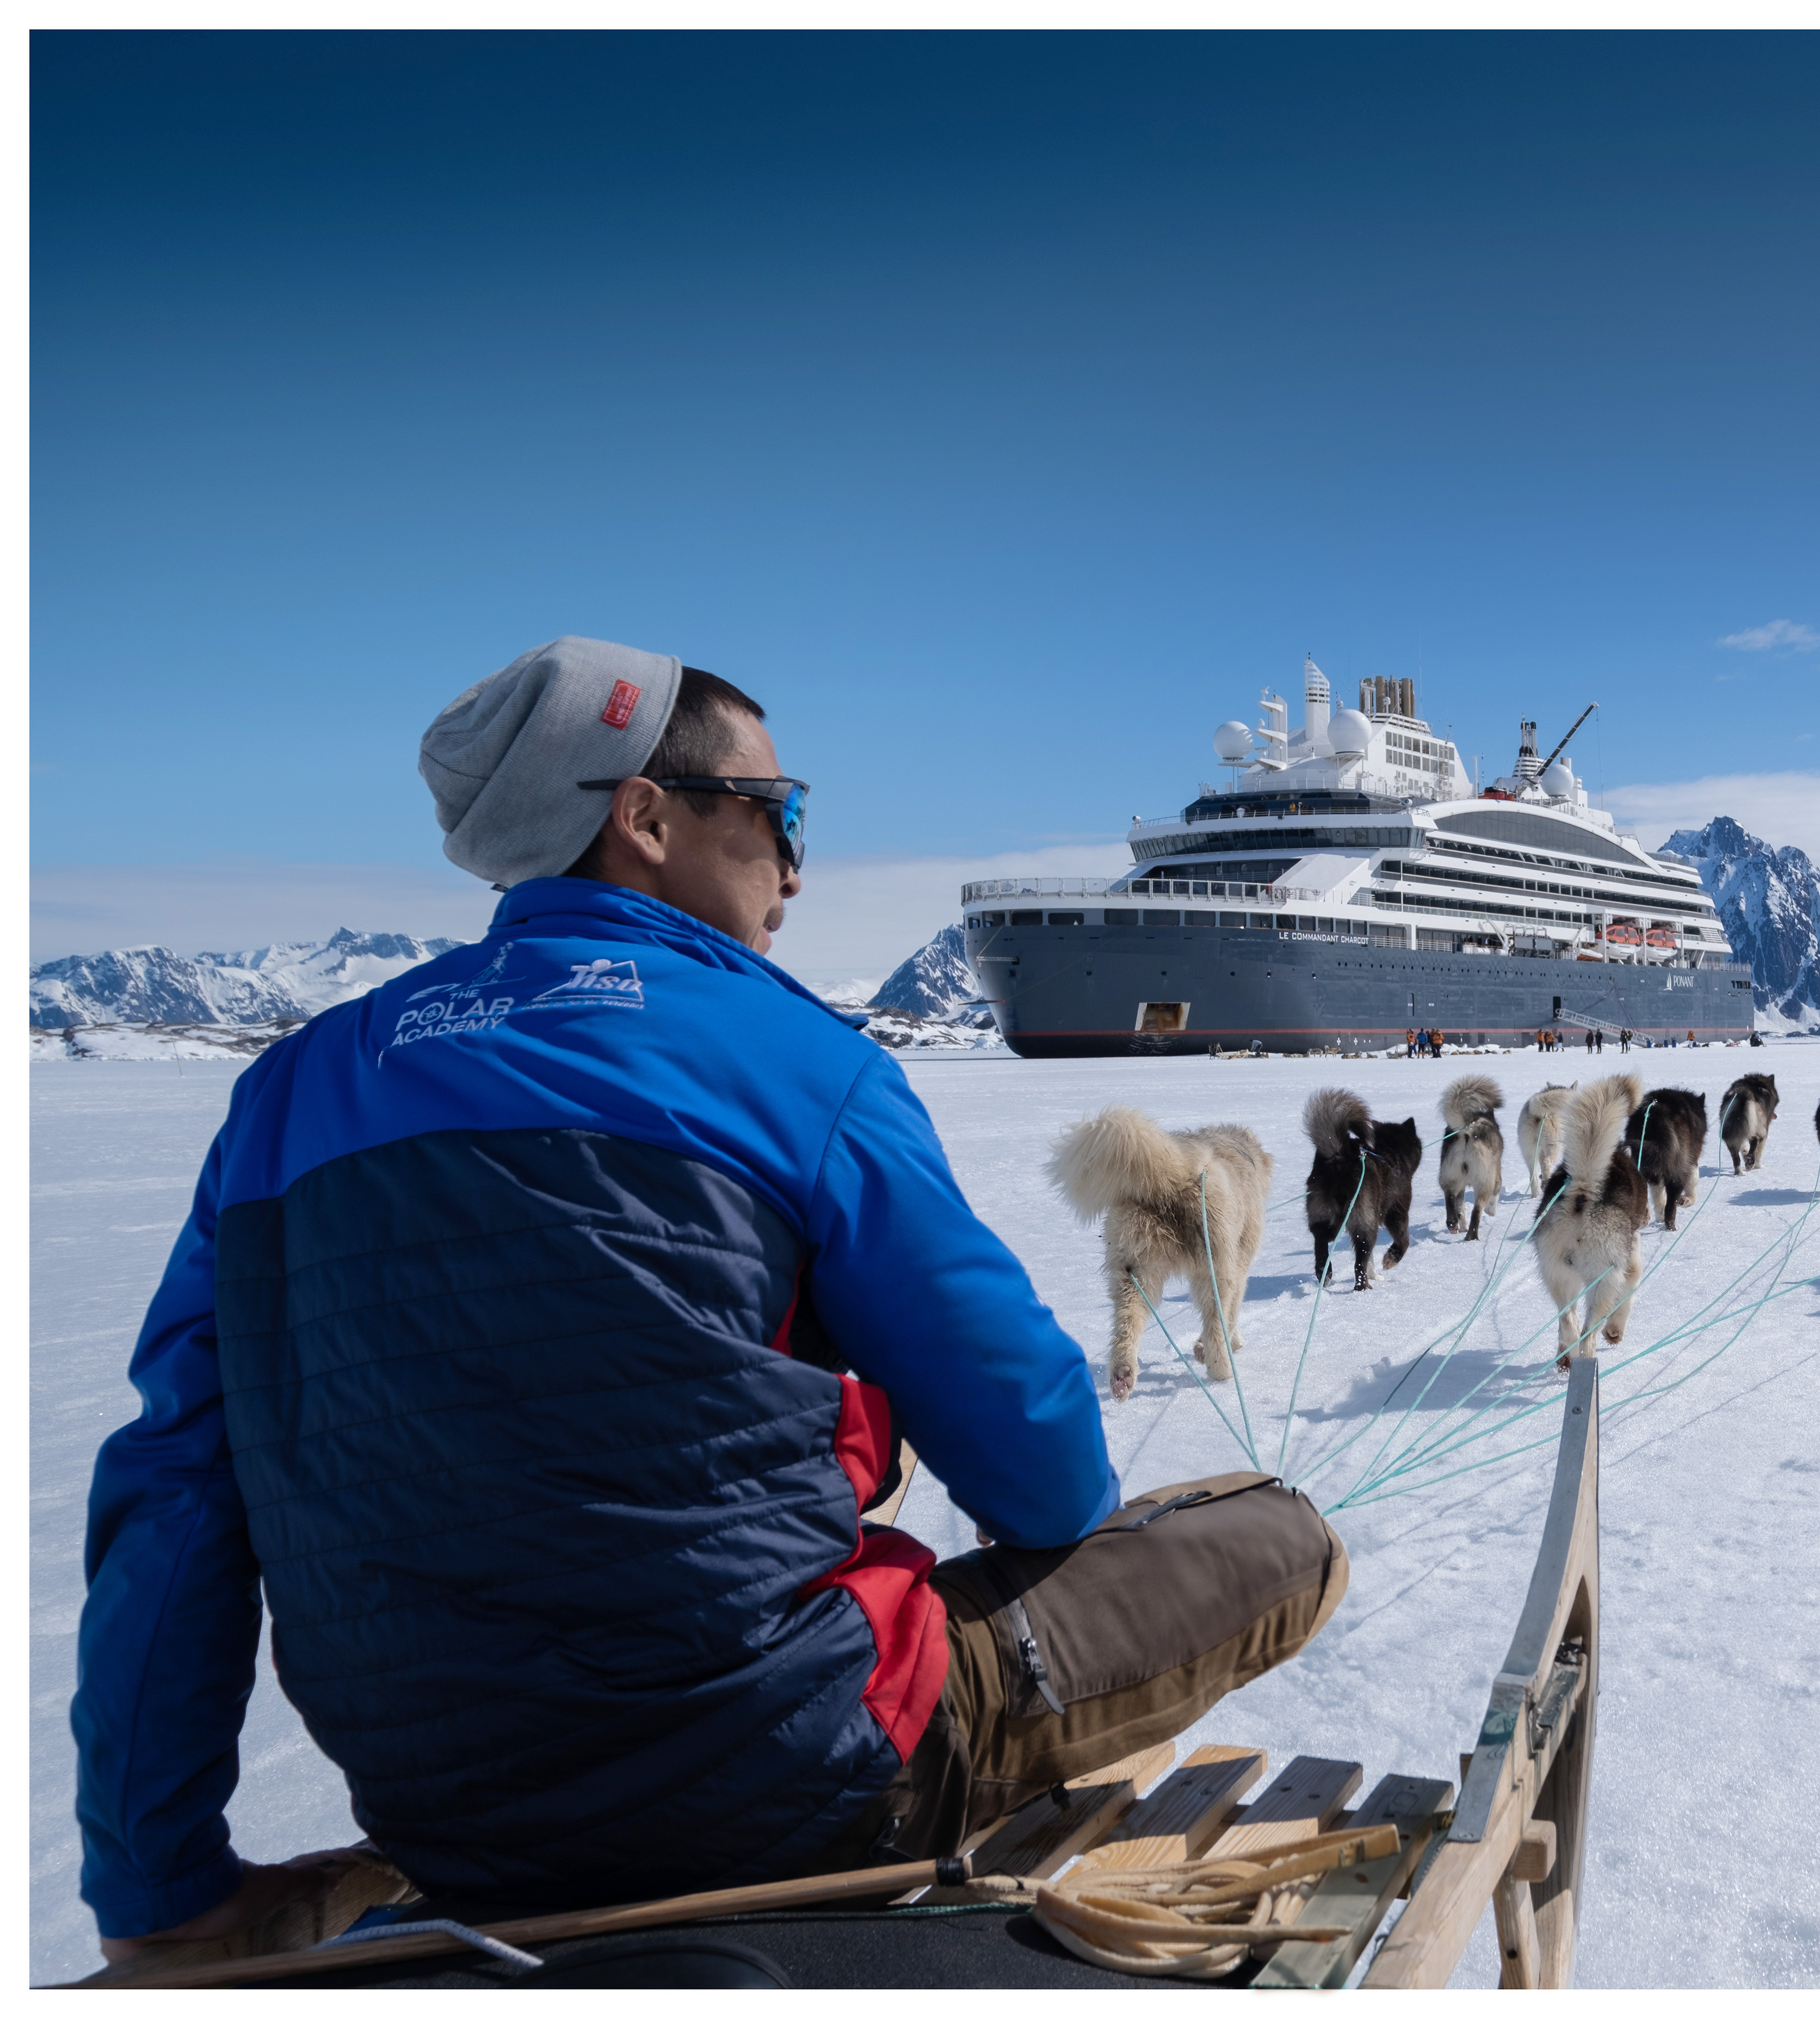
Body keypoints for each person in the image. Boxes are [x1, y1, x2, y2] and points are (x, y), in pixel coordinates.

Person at [71, 638, 1345, 1971]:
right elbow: (1042, 1462)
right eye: (779, 808)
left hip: (447, 1817)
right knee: (1280, 1536)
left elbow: (175, 1500)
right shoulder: (796, 1062)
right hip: (804, 1775)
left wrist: (160, 1888)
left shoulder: (283, 1094)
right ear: (645, 814)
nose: (796, 865)